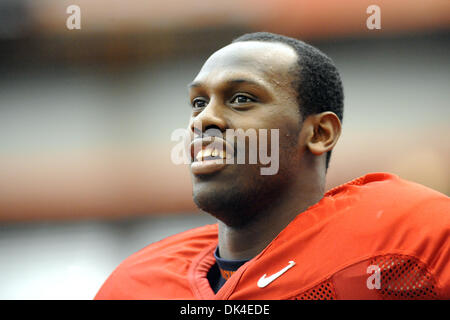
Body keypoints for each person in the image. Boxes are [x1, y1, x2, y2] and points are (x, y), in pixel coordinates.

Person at [95, 32, 449, 300]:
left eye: (241, 99)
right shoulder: (134, 284)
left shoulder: (408, 240)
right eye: (198, 102)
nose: (204, 120)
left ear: (319, 132)